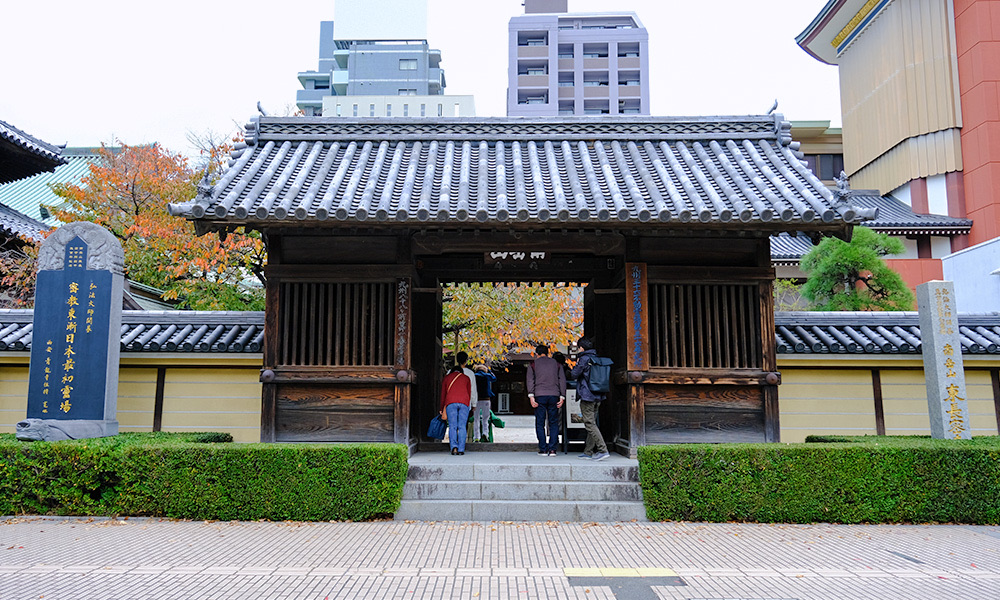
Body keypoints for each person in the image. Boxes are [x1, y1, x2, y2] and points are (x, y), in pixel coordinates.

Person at [571, 336, 610, 461]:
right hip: (598, 394)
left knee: (589, 423)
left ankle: (602, 450)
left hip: (587, 396)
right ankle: (588, 451)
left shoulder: (583, 359)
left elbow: (574, 374)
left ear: (581, 347)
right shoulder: (596, 358)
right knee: (592, 423)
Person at [526, 343, 566, 456]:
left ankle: (543, 449)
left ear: (537, 353)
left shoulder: (533, 364)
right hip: (554, 395)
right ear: (548, 353)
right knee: (553, 423)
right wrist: (562, 396)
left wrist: (531, 396)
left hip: (539, 395)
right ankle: (553, 449)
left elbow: (530, 381)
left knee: (540, 423)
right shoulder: (557, 364)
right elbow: (562, 380)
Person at [440, 363, 472, 455]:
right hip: (464, 402)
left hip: (450, 402)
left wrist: (442, 407)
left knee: (452, 426)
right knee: (462, 426)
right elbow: (469, 393)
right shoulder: (466, 378)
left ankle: (454, 448)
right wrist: (468, 406)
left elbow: (443, 394)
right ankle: (461, 449)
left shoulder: (447, 378)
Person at [455, 351, 479, 442]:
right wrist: (474, 403)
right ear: (466, 360)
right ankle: (462, 442)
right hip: (465, 402)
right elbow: (473, 390)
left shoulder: (450, 372)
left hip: (452, 402)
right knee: (463, 423)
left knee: (454, 424)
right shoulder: (470, 373)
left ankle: (454, 444)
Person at [473, 364, 496, 443]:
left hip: (476, 399)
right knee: (485, 418)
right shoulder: (487, 376)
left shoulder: (474, 376)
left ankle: (476, 437)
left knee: (476, 419)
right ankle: (485, 434)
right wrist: (489, 371)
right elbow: (494, 378)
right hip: (486, 399)